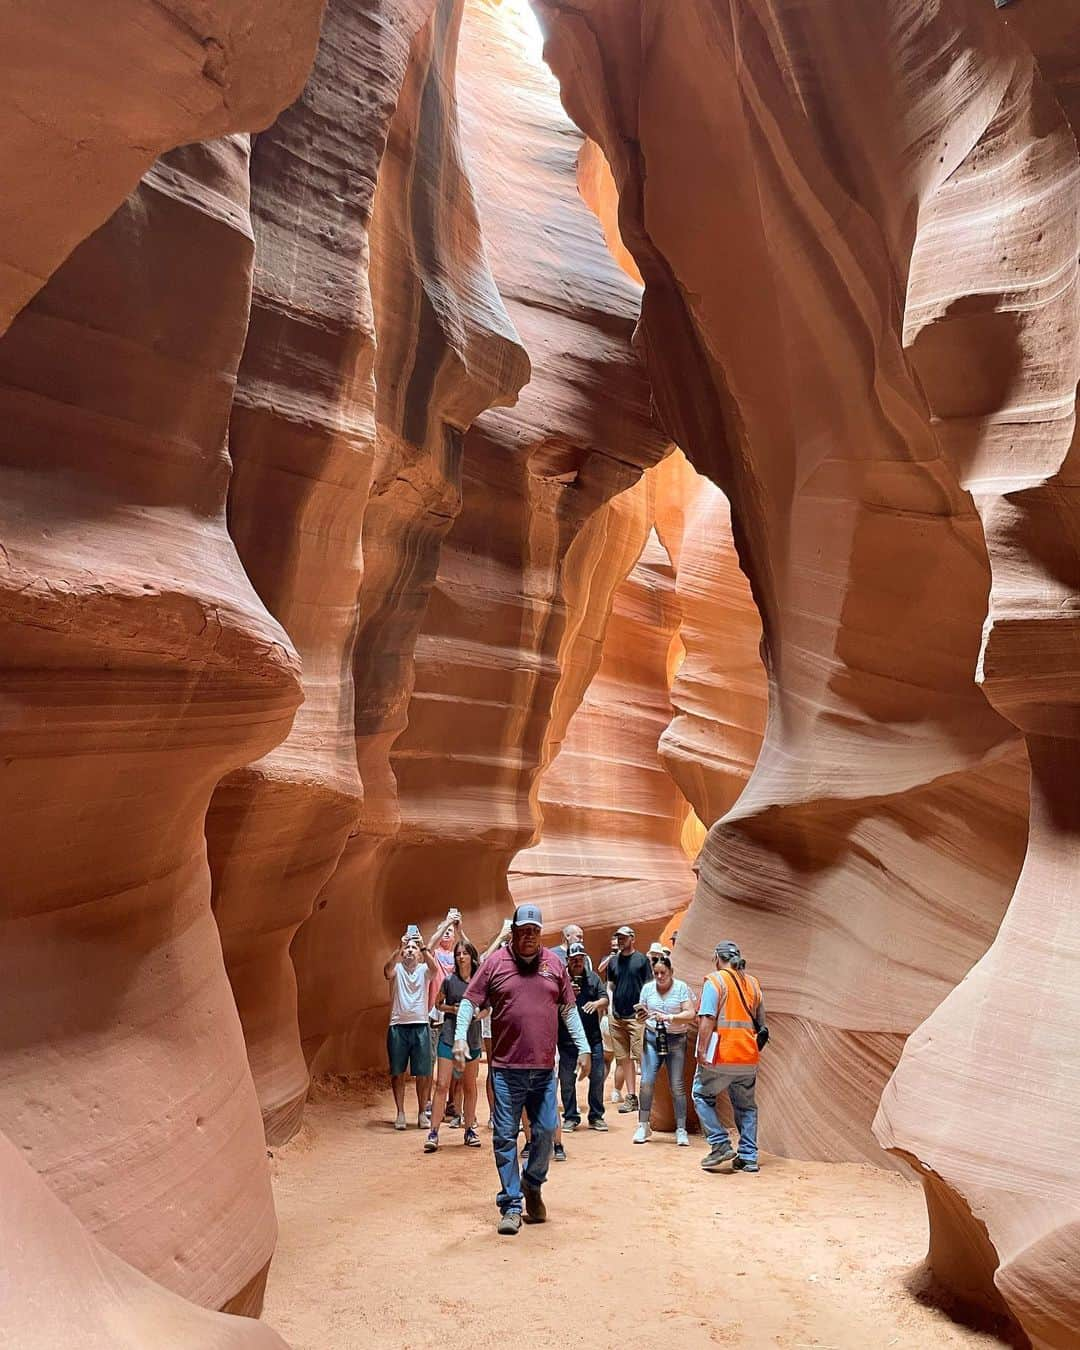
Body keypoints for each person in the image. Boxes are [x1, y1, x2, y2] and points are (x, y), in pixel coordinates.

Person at [454, 903, 591, 1236]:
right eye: (522, 930)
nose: (528, 936)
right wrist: (460, 1037)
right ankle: (511, 1204)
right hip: (505, 1070)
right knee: (504, 1137)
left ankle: (532, 1182)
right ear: (513, 932)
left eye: (534, 931)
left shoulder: (554, 965)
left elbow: (569, 1009)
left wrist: (584, 1047)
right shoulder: (495, 964)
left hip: (544, 1070)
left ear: (540, 934)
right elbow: (470, 1001)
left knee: (545, 1131)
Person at [692, 940, 767, 1173]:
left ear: (717, 958)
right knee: (746, 1107)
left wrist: (701, 1050)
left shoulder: (715, 981)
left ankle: (719, 1143)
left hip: (722, 1055)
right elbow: (762, 1023)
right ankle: (748, 1157)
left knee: (701, 1095)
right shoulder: (753, 983)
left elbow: (707, 1018)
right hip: (748, 1056)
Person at [425, 941, 485, 1152]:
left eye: (464, 954)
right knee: (442, 1084)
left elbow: (488, 1007)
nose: (460, 957)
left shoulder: (480, 981)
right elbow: (437, 1004)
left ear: (471, 956)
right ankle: (433, 1132)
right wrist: (453, 1009)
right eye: (458, 954)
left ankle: (469, 1129)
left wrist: (478, 1015)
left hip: (473, 1039)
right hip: (449, 1037)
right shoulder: (450, 981)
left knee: (469, 1086)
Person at [632, 955, 696, 1145]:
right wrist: (641, 1017)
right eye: (656, 973)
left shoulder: (681, 988)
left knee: (676, 1084)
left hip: (676, 1039)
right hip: (652, 1038)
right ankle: (643, 1125)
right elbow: (639, 1015)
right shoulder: (648, 989)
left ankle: (681, 1128)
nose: (660, 976)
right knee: (646, 1081)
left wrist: (668, 1018)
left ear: (671, 973)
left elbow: (690, 1014)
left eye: (663, 973)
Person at [383, 928, 440, 1129]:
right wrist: (399, 948)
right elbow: (387, 970)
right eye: (407, 947)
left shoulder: (424, 970)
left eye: (413, 948)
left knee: (423, 1073)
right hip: (398, 1026)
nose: (409, 950)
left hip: (420, 1026)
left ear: (419, 953)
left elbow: (435, 970)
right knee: (398, 1072)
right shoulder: (397, 969)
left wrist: (423, 947)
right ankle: (400, 1113)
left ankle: (422, 1112)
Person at [557, 943, 608, 1132]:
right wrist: (565, 992)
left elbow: (605, 998)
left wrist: (596, 1004)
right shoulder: (560, 979)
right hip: (566, 1041)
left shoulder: (593, 978)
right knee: (567, 1080)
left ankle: (596, 1116)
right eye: (574, 959)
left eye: (580, 959)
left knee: (597, 1077)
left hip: (593, 1039)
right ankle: (570, 1117)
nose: (578, 962)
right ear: (567, 960)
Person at [606, 925, 651, 1113]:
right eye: (619, 938)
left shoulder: (641, 960)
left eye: (624, 937)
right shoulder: (613, 962)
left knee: (641, 1056)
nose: (620, 940)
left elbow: (649, 985)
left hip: (636, 1017)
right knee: (623, 1059)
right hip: (617, 1016)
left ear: (632, 938)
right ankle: (631, 1097)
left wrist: (646, 1009)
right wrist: (610, 1008)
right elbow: (610, 985)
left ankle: (648, 1097)